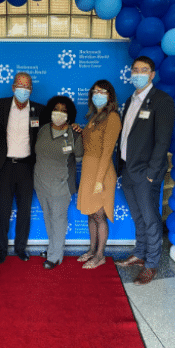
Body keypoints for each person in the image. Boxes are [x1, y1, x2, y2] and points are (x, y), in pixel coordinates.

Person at [114, 56, 175, 285]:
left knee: (150, 219)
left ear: (152, 74)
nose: (138, 73)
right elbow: (127, 135)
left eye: (144, 70)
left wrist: (151, 173)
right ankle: (140, 254)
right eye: (135, 69)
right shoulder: (131, 101)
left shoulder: (162, 100)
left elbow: (162, 141)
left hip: (146, 173)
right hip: (128, 170)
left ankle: (151, 264)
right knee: (138, 216)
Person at [0, 72, 44, 263]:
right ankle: (2, 249)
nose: (24, 89)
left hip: (27, 168)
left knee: (24, 210)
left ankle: (21, 248)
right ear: (13, 87)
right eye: (20, 86)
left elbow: (54, 129)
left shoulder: (39, 110)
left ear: (31, 89)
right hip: (5, 167)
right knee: (3, 211)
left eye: (28, 86)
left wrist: (74, 128)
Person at [74, 80, 122, 270]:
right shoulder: (95, 116)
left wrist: (99, 180)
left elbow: (107, 152)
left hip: (101, 172)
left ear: (109, 95)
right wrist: (80, 129)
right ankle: (92, 250)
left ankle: (100, 255)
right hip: (88, 170)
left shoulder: (112, 118)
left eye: (102, 91)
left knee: (99, 215)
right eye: (94, 91)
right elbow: (89, 142)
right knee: (90, 212)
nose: (97, 94)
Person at [34, 95, 83, 269]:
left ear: (70, 115)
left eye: (64, 111)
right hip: (41, 183)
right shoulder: (42, 129)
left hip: (62, 185)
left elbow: (78, 158)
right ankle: (52, 249)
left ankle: (55, 257)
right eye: (56, 109)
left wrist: (76, 134)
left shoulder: (74, 133)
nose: (59, 113)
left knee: (59, 219)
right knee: (48, 217)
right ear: (50, 111)